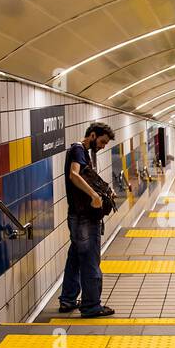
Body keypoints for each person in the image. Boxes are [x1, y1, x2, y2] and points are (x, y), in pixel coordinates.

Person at [58, 121, 115, 318]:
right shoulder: (78, 149)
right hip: (83, 217)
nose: (102, 145)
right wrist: (94, 196)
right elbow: (74, 175)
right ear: (92, 135)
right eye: (102, 141)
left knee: (75, 258)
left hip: (78, 216)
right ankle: (91, 306)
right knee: (90, 259)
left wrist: (104, 190)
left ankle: (68, 299)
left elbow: (85, 176)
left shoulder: (84, 153)